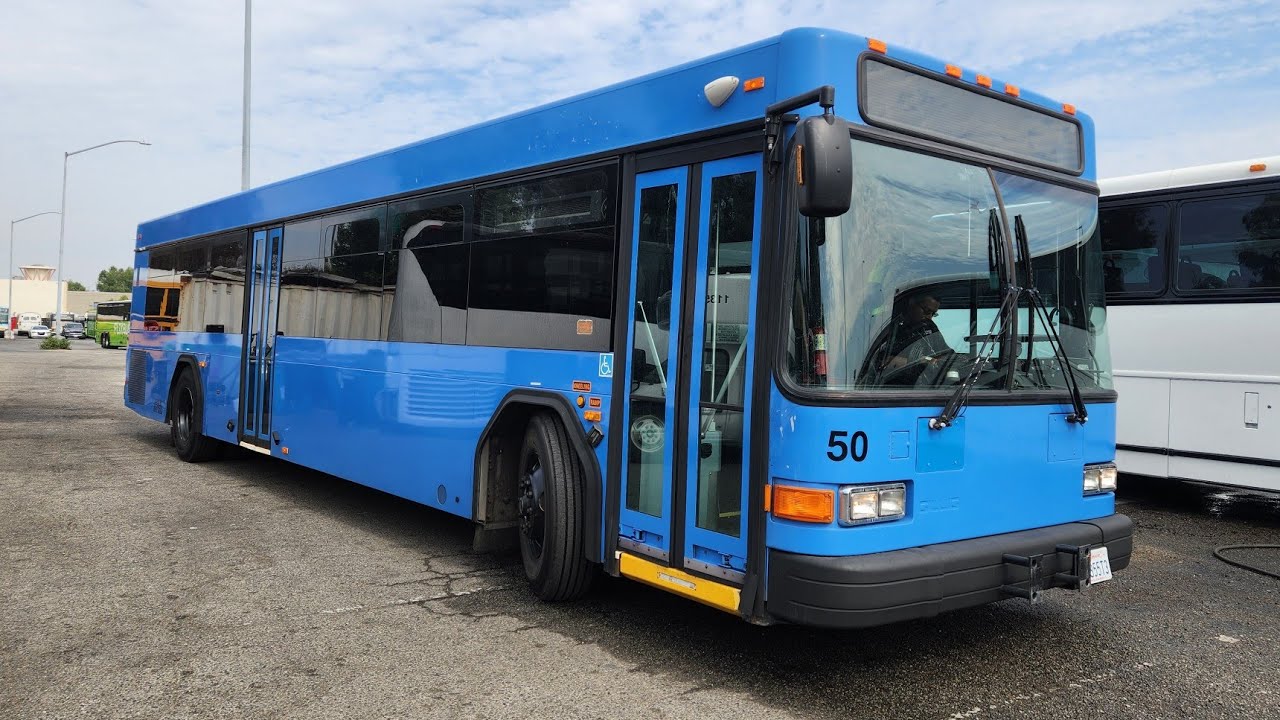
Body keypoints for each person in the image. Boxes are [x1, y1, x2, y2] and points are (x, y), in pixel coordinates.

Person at [880, 292, 951, 373]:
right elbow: (881, 360)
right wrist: (919, 362)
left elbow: (945, 353)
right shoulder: (889, 325)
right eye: (926, 311)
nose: (929, 317)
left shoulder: (929, 326)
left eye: (933, 314)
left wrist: (942, 360)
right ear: (911, 303)